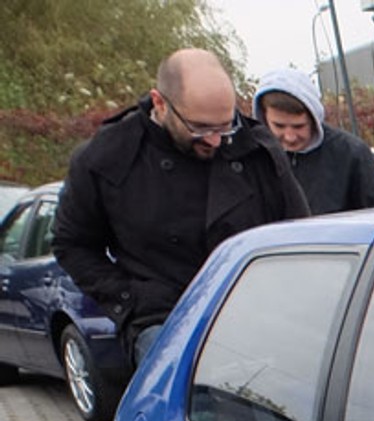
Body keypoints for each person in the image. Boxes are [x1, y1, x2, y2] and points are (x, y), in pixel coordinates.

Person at [53, 48, 308, 366]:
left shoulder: (258, 149)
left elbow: (298, 233)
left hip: (257, 311)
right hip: (165, 319)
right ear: (160, 103)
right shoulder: (106, 158)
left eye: (225, 126)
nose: (215, 141)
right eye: (201, 128)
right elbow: (72, 243)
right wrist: (130, 299)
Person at [252, 68, 374, 216]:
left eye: (299, 126)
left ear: (314, 119)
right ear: (264, 118)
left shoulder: (351, 154)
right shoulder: (256, 158)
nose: (290, 137)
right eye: (279, 126)